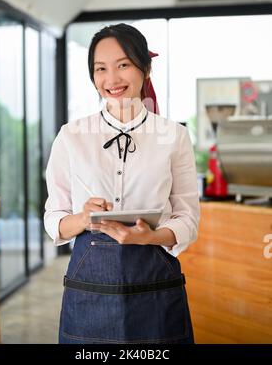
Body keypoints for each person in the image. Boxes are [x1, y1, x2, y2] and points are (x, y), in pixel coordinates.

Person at [44, 23, 200, 344]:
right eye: (101, 69)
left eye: (123, 65)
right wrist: (84, 218)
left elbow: (188, 219)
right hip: (89, 287)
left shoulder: (175, 135)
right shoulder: (70, 136)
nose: (112, 80)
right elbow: (53, 220)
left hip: (156, 283)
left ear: (146, 68)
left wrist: (150, 236)